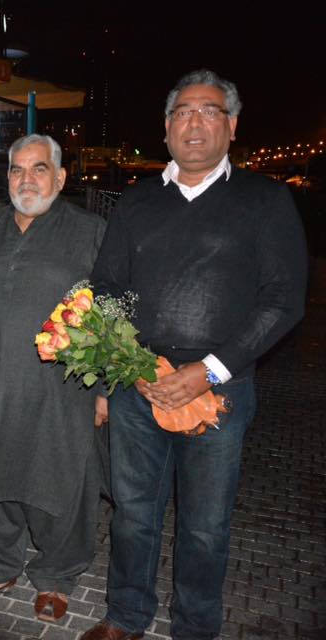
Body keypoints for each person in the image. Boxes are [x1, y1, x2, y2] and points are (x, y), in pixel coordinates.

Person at [81, 70, 307, 640]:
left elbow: (283, 300)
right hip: (139, 387)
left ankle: (195, 625)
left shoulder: (264, 200)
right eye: (183, 112)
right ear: (166, 128)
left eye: (209, 111)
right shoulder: (136, 202)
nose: (195, 122)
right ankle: (126, 615)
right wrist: (132, 365)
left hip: (219, 392)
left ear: (232, 125)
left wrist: (208, 370)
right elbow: (105, 286)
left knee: (205, 526)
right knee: (133, 513)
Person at [0, 134, 107, 623]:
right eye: (17, 169)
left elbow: (110, 314)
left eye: (39, 169)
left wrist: (104, 389)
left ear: (60, 177)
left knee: (57, 475)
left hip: (60, 387)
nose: (27, 179)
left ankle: (56, 576)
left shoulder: (90, 231)